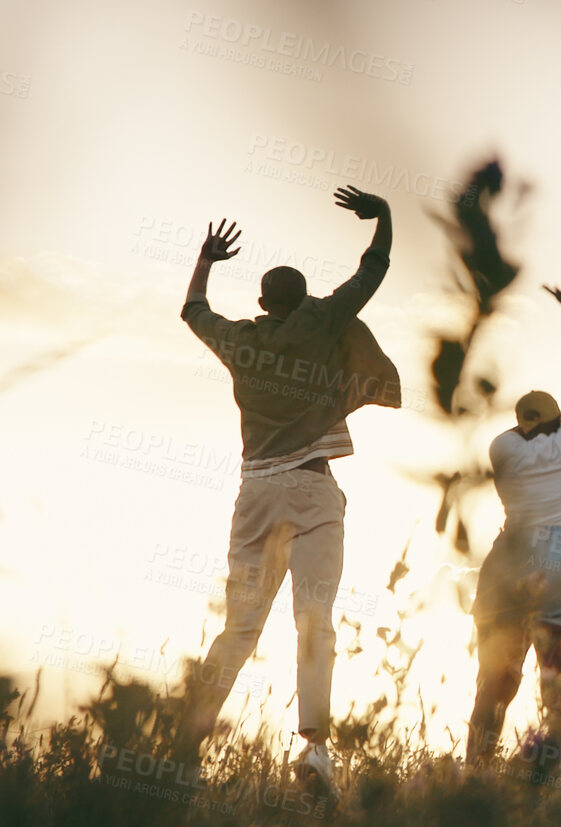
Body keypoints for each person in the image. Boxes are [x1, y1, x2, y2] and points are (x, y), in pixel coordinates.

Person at [176, 186, 400, 795]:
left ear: (261, 302)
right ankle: (316, 753)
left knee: (240, 628)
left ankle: (186, 746)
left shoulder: (240, 341)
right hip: (311, 492)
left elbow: (193, 310)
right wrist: (381, 217)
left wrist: (205, 258)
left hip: (253, 495)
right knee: (314, 619)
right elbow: (371, 270)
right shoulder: (323, 319)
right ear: (301, 300)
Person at [467, 285, 561, 768]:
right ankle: (557, 787)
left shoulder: (504, 450)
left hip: (513, 559)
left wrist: (525, 428)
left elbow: (511, 433)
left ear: (522, 425)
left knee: (495, 687)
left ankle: (475, 777)